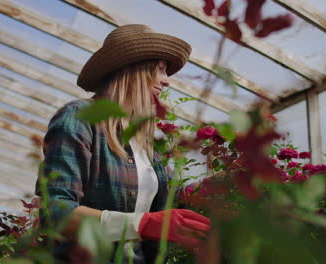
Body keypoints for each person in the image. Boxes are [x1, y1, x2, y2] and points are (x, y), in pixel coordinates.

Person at [35, 24, 211, 263]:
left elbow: (179, 200)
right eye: (160, 69)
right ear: (135, 69)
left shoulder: (145, 143)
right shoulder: (80, 118)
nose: (166, 81)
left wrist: (231, 181)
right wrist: (144, 223)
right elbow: (55, 212)